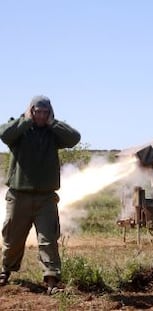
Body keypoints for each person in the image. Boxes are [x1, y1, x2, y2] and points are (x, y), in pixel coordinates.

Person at [0, 96, 81, 294]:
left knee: (49, 240)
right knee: (13, 238)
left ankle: (51, 281)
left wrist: (53, 123)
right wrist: (26, 120)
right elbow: (4, 134)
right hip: (19, 196)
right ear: (31, 111)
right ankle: (5, 271)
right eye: (38, 112)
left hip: (46, 198)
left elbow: (74, 138)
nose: (42, 116)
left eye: (46, 112)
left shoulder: (53, 133)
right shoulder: (19, 129)